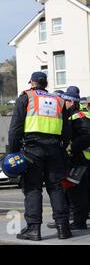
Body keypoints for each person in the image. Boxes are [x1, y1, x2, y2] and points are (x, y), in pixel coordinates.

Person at [8, 71, 71, 240]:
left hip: (32, 149)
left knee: (32, 188)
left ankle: (34, 229)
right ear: (46, 83)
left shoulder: (26, 98)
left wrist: (12, 153)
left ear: (33, 83)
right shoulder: (58, 101)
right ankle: (63, 228)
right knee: (56, 187)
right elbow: (66, 131)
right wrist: (61, 147)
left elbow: (15, 129)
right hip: (54, 149)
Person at [57, 87, 90, 229]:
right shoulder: (76, 114)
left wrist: (71, 147)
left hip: (81, 160)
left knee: (78, 192)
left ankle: (79, 222)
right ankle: (76, 220)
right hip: (81, 159)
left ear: (71, 101)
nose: (63, 102)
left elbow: (87, 137)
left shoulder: (80, 116)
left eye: (65, 100)